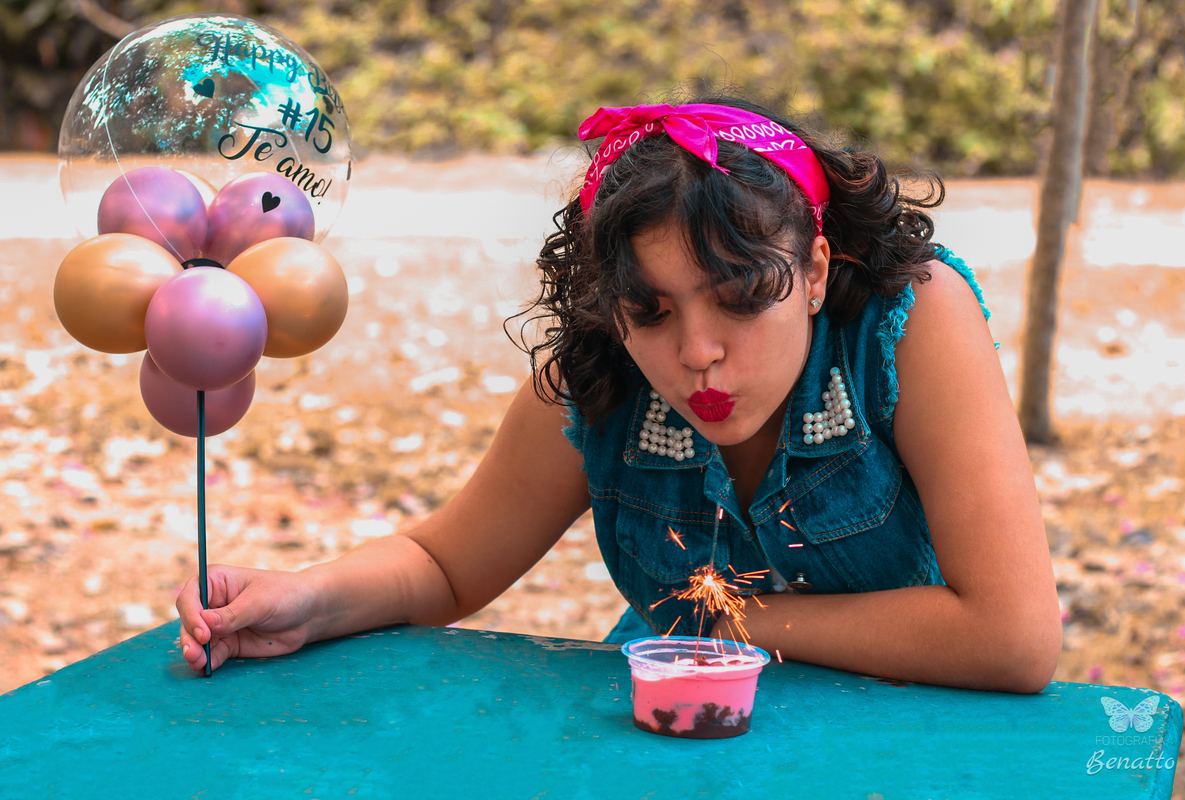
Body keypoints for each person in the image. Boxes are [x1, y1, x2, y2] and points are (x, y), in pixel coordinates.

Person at [176, 91, 1061, 693]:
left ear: (817, 270)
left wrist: (731, 626)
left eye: (743, 297)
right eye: (651, 311)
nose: (699, 353)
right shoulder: (600, 378)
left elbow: (1013, 639)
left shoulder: (910, 322)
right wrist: (303, 601)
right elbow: (443, 566)